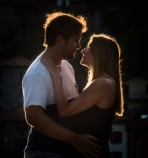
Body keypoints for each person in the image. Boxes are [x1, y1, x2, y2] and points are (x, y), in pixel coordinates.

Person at [22, 12, 102, 158]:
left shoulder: (66, 66)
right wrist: (74, 139)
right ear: (60, 40)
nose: (78, 46)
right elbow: (33, 116)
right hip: (44, 152)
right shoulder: (38, 72)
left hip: (64, 151)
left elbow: (72, 108)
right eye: (75, 41)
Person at [40, 33, 124, 158]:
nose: (84, 50)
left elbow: (64, 111)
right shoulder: (103, 83)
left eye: (89, 47)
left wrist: (56, 75)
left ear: (99, 54)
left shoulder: (102, 83)